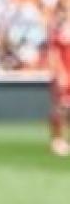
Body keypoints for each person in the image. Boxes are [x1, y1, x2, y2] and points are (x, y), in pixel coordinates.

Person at [50, 8, 70, 156]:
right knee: (61, 107)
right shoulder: (62, 31)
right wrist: (60, 73)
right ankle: (57, 140)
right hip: (65, 75)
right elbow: (54, 54)